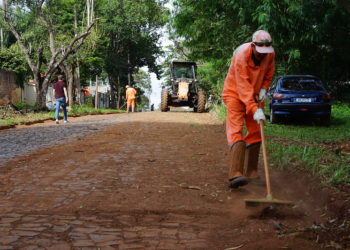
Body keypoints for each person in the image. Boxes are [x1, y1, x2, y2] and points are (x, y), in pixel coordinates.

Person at [222, 30, 275, 189]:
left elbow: (269, 72)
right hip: (235, 94)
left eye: (265, 52)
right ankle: (235, 174)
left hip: (255, 94)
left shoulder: (270, 54)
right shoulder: (241, 55)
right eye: (260, 52)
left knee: (256, 129)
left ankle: (251, 171)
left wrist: (264, 88)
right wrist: (254, 108)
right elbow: (243, 86)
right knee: (236, 130)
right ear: (253, 46)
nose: (262, 55)